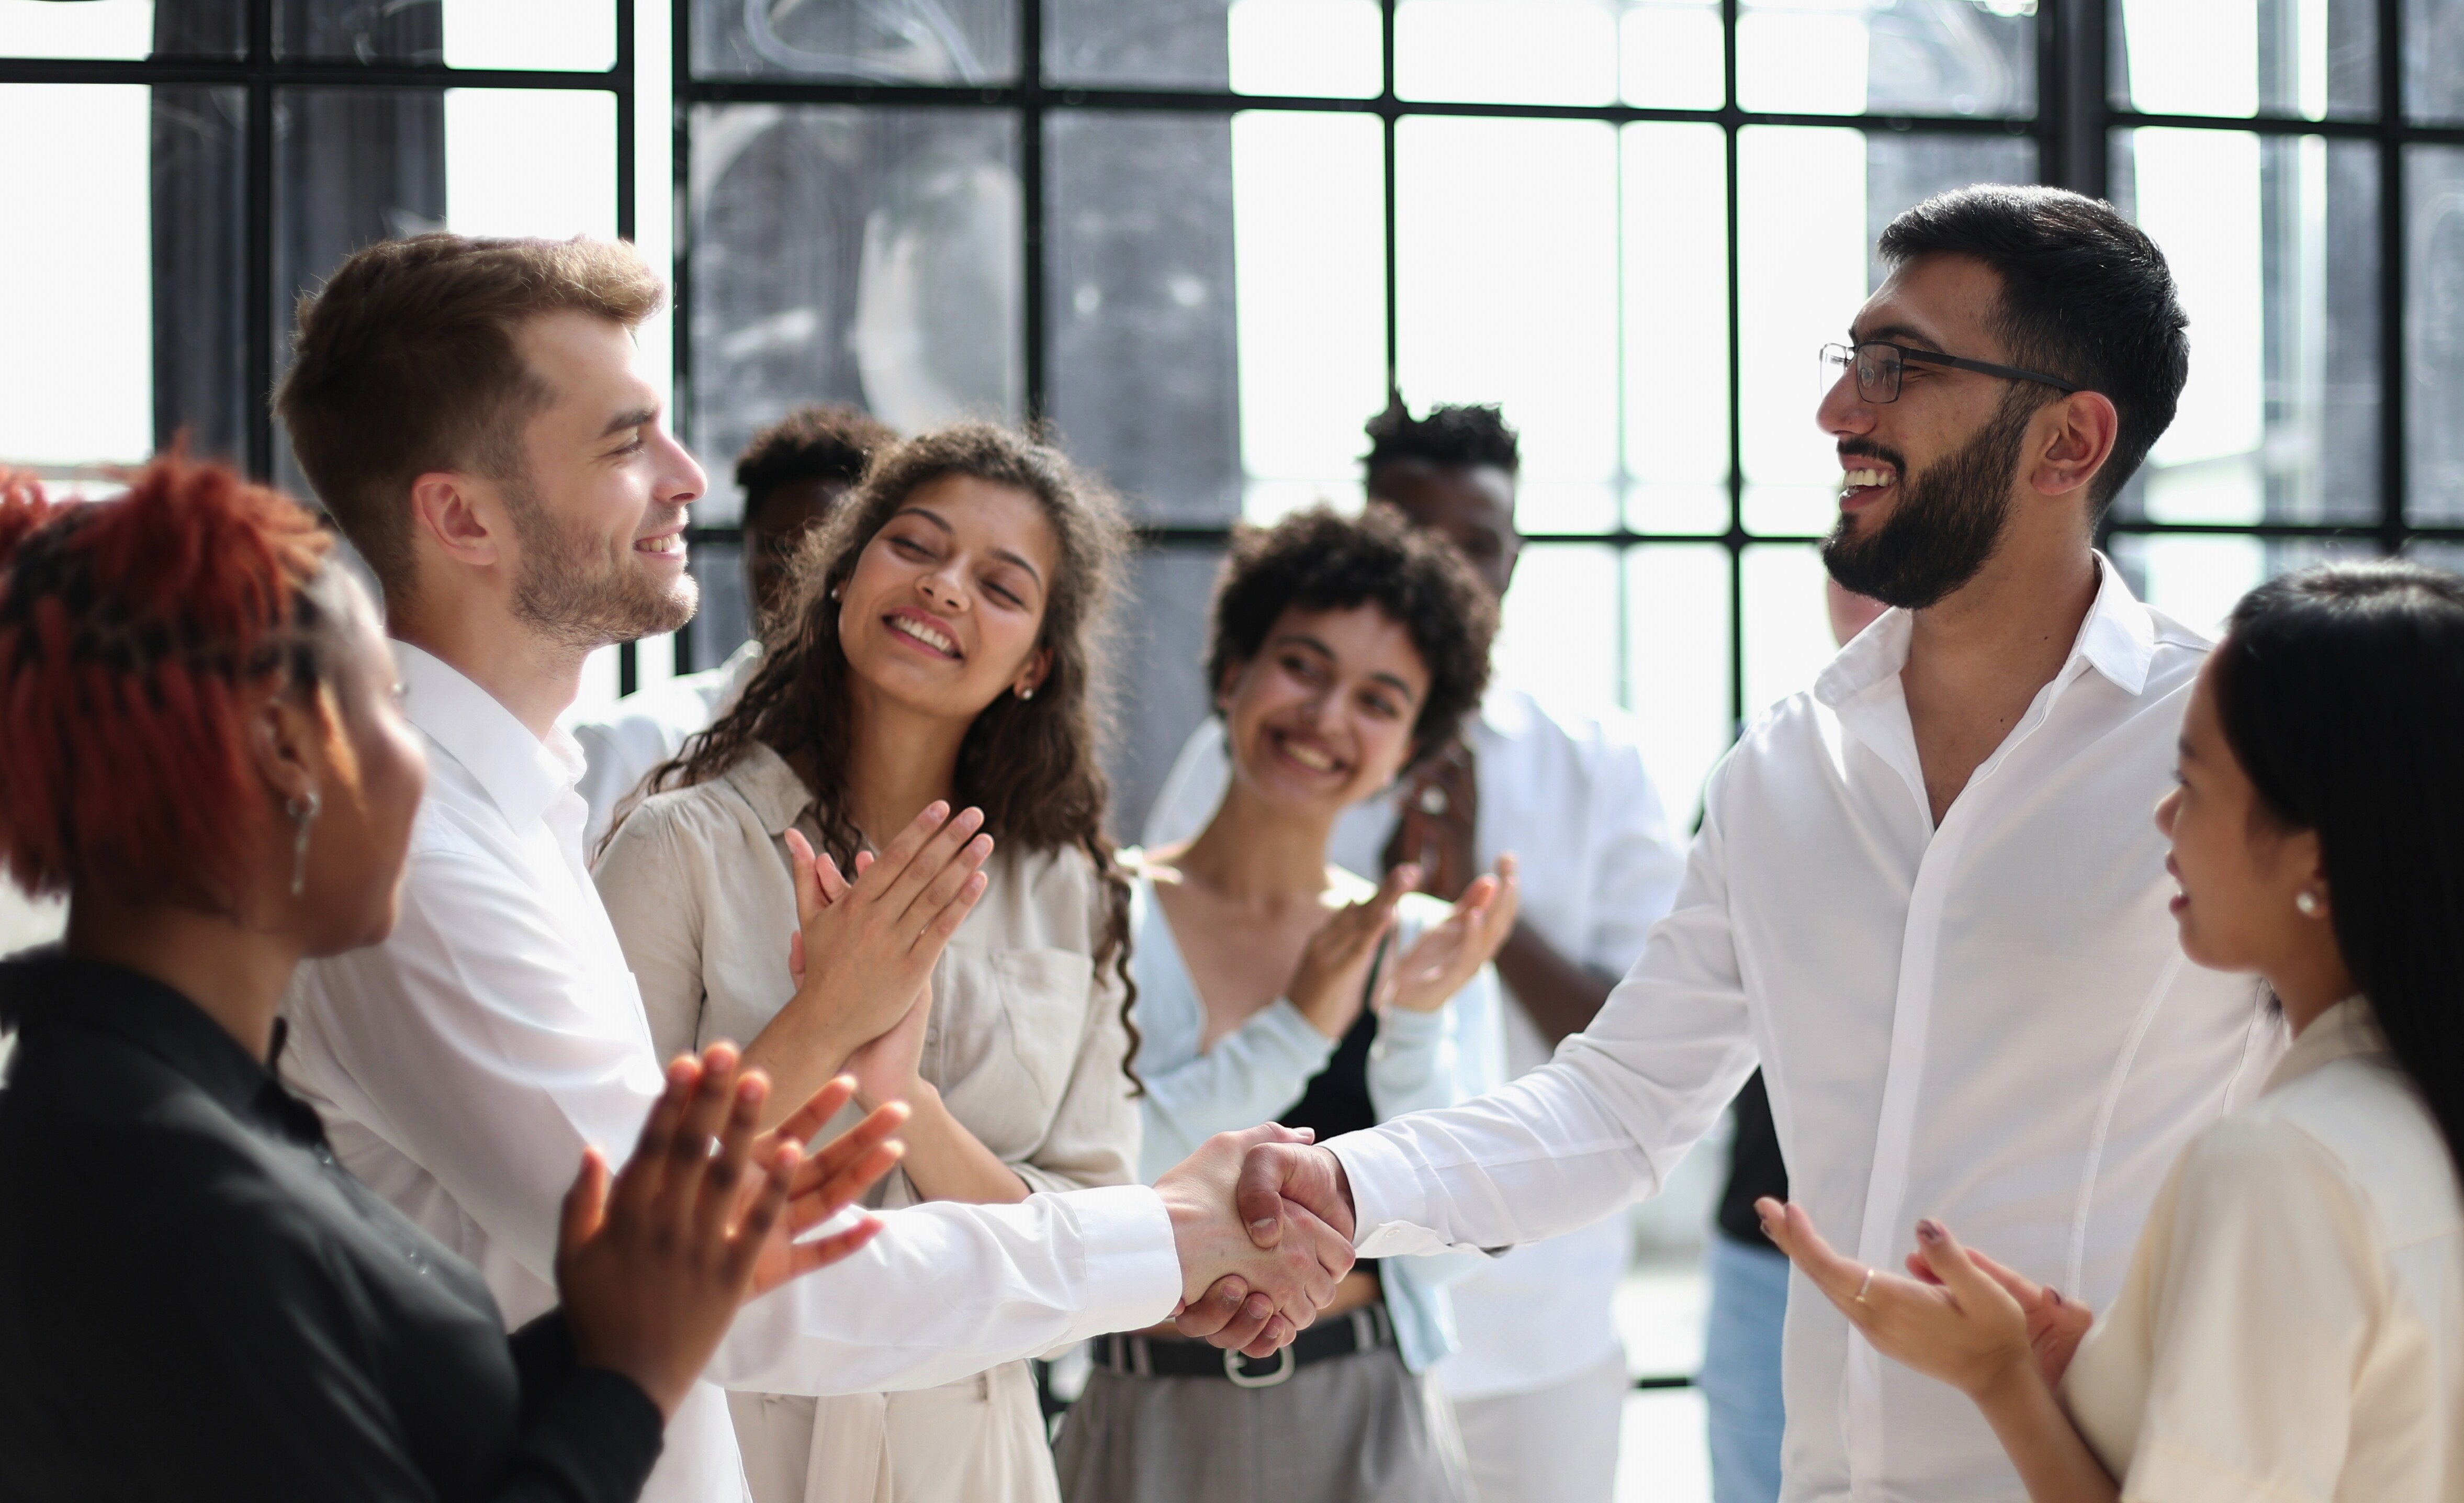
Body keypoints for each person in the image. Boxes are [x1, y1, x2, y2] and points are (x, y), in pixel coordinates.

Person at [1227, 184, 2292, 1503]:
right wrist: (1344, 1183)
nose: (1839, 410)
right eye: (1851, 360)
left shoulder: (2235, 749)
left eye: (1898, 368)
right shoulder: (1782, 765)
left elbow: (2373, 1142)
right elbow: (1618, 1106)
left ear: (2067, 442)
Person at [265, 232, 1353, 1503]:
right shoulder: (458, 857)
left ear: (1035, 663)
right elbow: (683, 1270)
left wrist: (1075, 1202)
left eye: (1002, 586)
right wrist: (1163, 1239)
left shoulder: (531, 813)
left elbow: (682, 1234)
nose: (686, 478)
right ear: (460, 514)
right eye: (626, 444)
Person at [0, 458, 905, 1499]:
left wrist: (633, 1312)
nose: (419, 758)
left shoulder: (144, 1121)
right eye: (389, 698)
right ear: (288, 749)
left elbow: (361, 1438)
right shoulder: (176, 1184)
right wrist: (631, 1375)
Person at [1765, 561, 2464, 1503]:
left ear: (2314, 842)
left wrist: (2000, 1378)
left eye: (2189, 779)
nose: (2162, 815)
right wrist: (2108, 1359)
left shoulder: (2285, 1166)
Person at [1142, 402, 1685, 1502]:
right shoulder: (1256, 743)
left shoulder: (1601, 761)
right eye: (1412, 529)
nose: (1445, 566)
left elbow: (1652, 1046)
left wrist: (1465, 908)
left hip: (1535, 1312)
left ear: (1515, 556)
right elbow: (1164, 970)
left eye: (1475, 542)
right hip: (1269, 1319)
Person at [594, 422, 1141, 1503]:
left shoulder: (1070, 889)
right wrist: (827, 1021)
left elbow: (1088, 1239)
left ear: (1036, 660)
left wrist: (909, 1106)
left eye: (1000, 583)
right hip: (723, 1431)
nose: (944, 589)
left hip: (973, 1450)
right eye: (917, 546)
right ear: (842, 574)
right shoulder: (679, 846)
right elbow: (612, 1200)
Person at [1058, 505, 1520, 1503]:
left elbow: (1445, 1263)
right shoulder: (1090, 912)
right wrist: (1300, 1027)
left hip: (1364, 1414)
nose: (1324, 717)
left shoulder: (1420, 947)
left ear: (1409, 747)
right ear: (1230, 673)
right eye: (1301, 666)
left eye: (1378, 699)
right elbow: (1088, 1190)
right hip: (1141, 1415)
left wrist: (1413, 1029)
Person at [1700, 578, 1886, 1503]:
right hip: (1761, 1246)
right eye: (1842, 560)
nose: (1857, 586)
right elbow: (1673, 1031)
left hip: (1947, 1269)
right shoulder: (1767, 766)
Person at [570, 405, 895, 854]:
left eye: (838, 556)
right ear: (744, 554)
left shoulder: (934, 763)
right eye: (783, 550)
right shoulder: (636, 746)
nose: (807, 577)